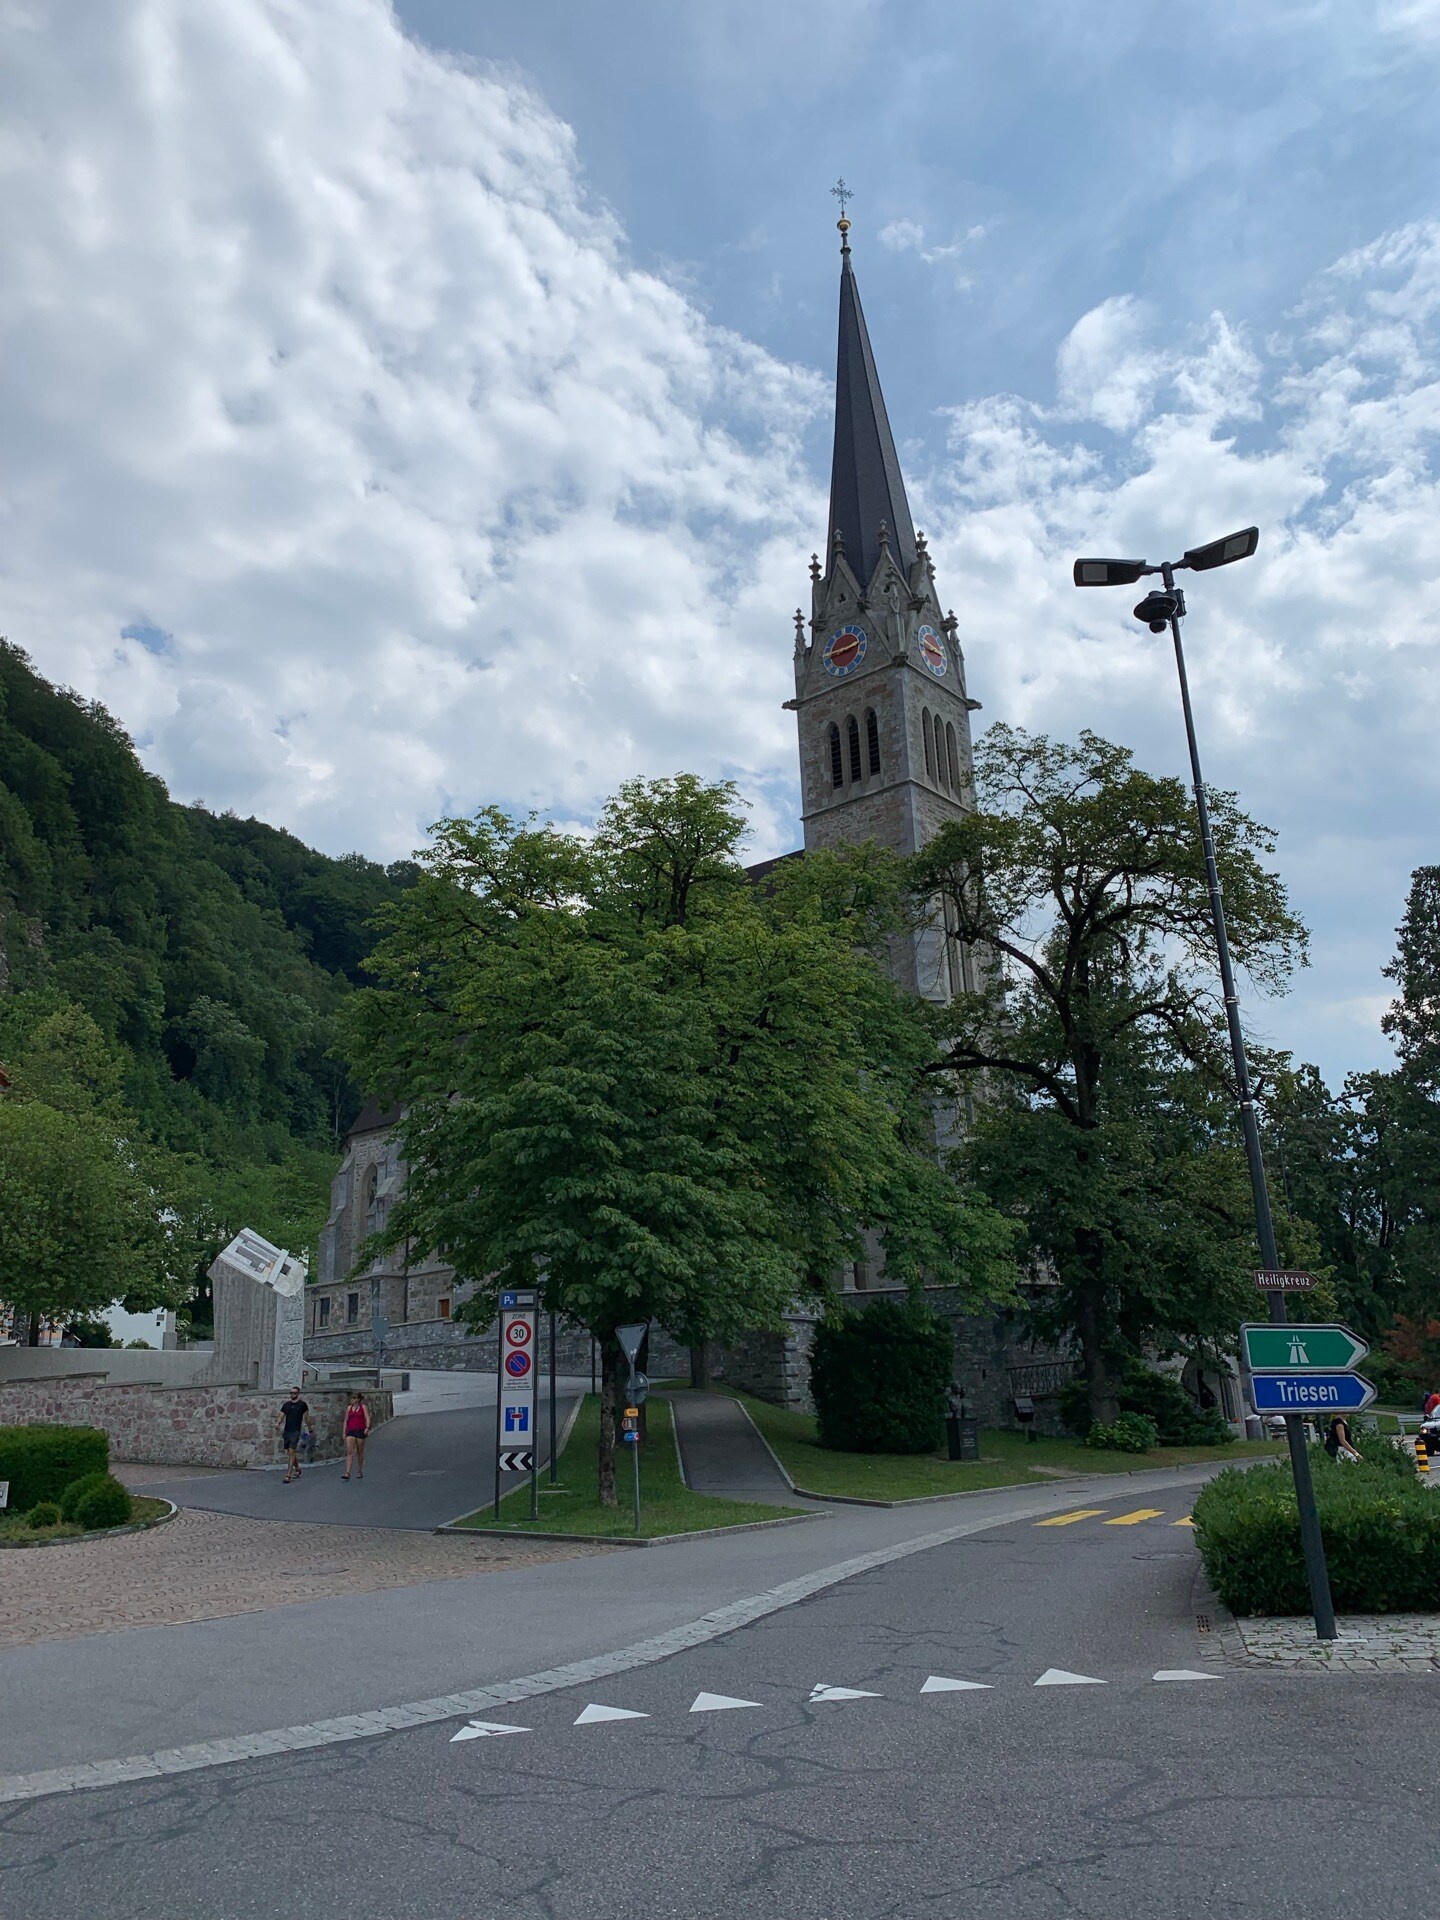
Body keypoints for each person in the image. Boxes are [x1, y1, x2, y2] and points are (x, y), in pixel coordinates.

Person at [276, 1386, 312, 1483]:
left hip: (296, 1431)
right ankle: (298, 1469)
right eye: (291, 1393)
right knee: (290, 1452)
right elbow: (281, 1415)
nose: (292, 1394)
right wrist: (278, 1423)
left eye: (294, 1393)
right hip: (287, 1431)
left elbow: (307, 1417)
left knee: (292, 1450)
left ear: (298, 1394)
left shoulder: (302, 1405)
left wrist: (310, 1429)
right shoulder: (286, 1405)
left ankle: (288, 1474)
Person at [342, 1390, 372, 1480]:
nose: (352, 1400)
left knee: (360, 1451)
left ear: (358, 1399)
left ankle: (359, 1470)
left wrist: (367, 1427)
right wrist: (344, 1432)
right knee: (349, 1452)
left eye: (354, 1398)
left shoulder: (363, 1407)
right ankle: (347, 1472)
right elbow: (346, 1420)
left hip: (360, 1430)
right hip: (350, 1430)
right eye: (352, 1398)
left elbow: (367, 1417)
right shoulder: (349, 1408)